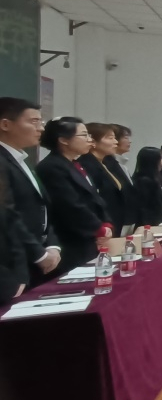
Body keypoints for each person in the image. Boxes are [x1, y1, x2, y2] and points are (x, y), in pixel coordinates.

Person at [36, 118, 112, 276]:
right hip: (70, 240)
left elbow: (94, 197)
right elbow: (69, 204)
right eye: (84, 135)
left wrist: (105, 223)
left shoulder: (75, 164)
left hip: (88, 239)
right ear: (64, 140)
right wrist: (97, 227)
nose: (89, 140)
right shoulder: (51, 166)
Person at [0, 98, 61, 285]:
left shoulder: (20, 159)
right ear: (5, 124)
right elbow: (6, 213)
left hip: (38, 255)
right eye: (34, 122)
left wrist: (52, 244)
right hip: (14, 261)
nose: (41, 128)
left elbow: (41, 207)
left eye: (41, 122)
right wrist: (38, 253)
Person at [78, 122, 125, 235]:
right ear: (93, 142)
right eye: (110, 138)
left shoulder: (106, 164)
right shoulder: (87, 165)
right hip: (99, 226)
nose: (116, 142)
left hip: (112, 222)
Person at [104, 124, 136, 229]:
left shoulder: (121, 164)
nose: (129, 141)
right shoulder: (107, 163)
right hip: (116, 221)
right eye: (126, 137)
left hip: (128, 219)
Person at [131, 146, 162, 227]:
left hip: (156, 222)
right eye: (161, 158)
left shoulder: (154, 178)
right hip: (147, 225)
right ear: (152, 161)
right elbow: (145, 209)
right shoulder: (144, 181)